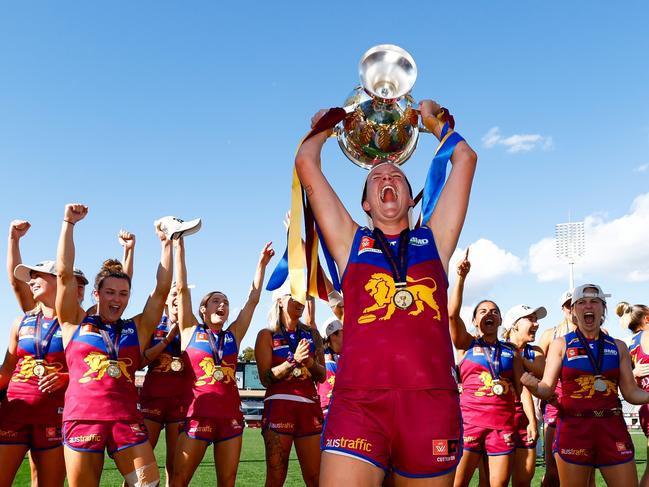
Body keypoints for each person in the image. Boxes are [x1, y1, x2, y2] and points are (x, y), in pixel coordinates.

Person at [295, 99, 476, 486]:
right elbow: (306, 163)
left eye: (396, 175)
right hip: (359, 402)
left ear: (411, 199)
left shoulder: (435, 240)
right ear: (365, 203)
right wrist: (326, 128)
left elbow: (465, 158)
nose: (387, 179)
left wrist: (435, 123)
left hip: (430, 402)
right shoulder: (350, 243)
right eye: (376, 177)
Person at [56, 203, 173, 487]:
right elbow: (63, 275)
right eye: (109, 292)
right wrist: (68, 224)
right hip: (83, 418)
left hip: (126, 420)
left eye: (123, 293)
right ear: (96, 293)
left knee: (147, 485)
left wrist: (166, 244)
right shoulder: (74, 322)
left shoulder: (136, 327)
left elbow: (160, 293)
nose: (116, 299)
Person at [171, 237, 275, 487]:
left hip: (230, 419)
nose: (223, 305)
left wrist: (261, 265)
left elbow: (252, 301)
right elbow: (183, 288)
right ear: (203, 310)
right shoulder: (189, 330)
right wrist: (179, 246)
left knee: (227, 482)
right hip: (197, 417)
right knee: (179, 480)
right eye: (216, 301)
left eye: (226, 302)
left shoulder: (233, 335)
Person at [522, 284, 649, 487]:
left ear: (602, 309)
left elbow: (631, 392)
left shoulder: (618, 346)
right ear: (573, 311)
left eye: (594, 301)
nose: (588, 306)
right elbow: (547, 387)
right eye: (581, 302)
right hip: (575, 428)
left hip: (612, 427)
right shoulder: (561, 344)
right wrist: (534, 387)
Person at [448, 252, 524, 487]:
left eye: (494, 312)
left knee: (498, 485)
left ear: (501, 320)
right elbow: (451, 314)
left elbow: (520, 390)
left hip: (502, 426)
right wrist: (461, 277)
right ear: (473, 321)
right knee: (457, 484)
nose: (489, 314)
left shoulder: (511, 351)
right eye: (483, 311)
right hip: (469, 423)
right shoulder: (466, 344)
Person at [255, 280, 326, 487]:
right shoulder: (266, 335)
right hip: (279, 408)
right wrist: (292, 361)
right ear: (279, 301)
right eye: (293, 295)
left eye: (302, 296)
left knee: (315, 478)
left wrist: (310, 362)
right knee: (276, 477)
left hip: (309, 409)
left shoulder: (312, 334)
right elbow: (265, 378)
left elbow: (321, 376)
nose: (300, 300)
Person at [138, 283, 185, 487]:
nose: (177, 298)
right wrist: (167, 340)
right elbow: (141, 361)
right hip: (153, 398)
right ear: (165, 299)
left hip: (181, 401)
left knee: (176, 464)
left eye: (182, 294)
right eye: (174, 294)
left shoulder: (192, 327)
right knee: (142, 464)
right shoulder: (152, 324)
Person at [502, 304, 546, 487]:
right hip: (500, 419)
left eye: (536, 319)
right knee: (496, 480)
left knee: (523, 481)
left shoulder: (534, 351)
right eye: (531, 319)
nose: (536, 323)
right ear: (514, 325)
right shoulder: (496, 348)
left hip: (527, 418)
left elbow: (541, 371)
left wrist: (516, 357)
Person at [618, 301, 649, 487]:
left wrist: (634, 373)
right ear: (647, 318)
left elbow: (628, 381)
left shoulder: (631, 344)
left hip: (644, 405)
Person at [318, 316, 342, 418]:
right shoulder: (328, 360)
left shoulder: (336, 356)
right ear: (333, 335)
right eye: (343, 332)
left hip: (334, 409)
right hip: (331, 412)